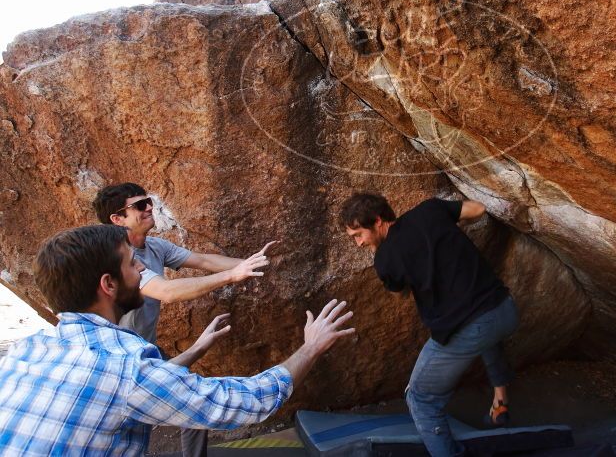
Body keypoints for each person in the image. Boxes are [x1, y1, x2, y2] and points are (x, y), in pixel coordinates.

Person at [0, 224, 354, 456]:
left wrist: (197, 348)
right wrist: (311, 346)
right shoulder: (126, 366)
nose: (141, 270)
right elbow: (244, 403)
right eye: (131, 265)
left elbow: (120, 389)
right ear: (108, 285)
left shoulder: (24, 351)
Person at [92, 182, 274, 456]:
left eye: (149, 201)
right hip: (115, 360)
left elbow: (202, 260)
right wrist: (232, 275)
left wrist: (249, 262)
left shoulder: (155, 247)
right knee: (121, 430)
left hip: (144, 351)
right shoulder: (118, 259)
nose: (149, 207)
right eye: (140, 205)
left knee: (194, 402)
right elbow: (166, 292)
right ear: (117, 219)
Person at [341, 193, 518, 457]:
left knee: (420, 399)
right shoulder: (430, 210)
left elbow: (399, 293)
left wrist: (384, 253)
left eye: (358, 235)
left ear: (378, 221)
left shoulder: (385, 260)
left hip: (468, 329)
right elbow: (478, 209)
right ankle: (500, 399)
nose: (357, 243)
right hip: (505, 311)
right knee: (485, 333)